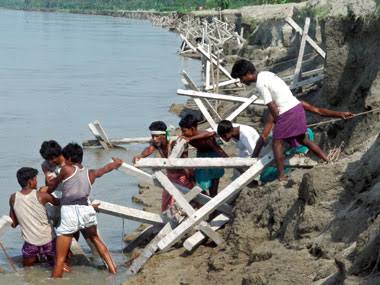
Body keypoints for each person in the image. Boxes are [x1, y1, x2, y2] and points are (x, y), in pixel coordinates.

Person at [231, 59, 353, 181]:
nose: (242, 81)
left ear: (247, 73)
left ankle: (281, 176)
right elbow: (317, 110)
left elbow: (271, 105)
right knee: (303, 139)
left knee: (276, 143)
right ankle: (326, 159)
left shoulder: (259, 83)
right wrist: (340, 114)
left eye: (241, 78)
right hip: (297, 108)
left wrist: (279, 123)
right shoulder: (267, 74)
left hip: (287, 112)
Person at [48, 143, 123, 278]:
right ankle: (113, 271)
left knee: (60, 258)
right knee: (96, 239)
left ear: (69, 158)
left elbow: (53, 185)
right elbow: (105, 169)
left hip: (69, 211)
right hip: (86, 209)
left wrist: (46, 190)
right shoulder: (91, 173)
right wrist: (116, 163)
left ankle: (54, 280)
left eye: (65, 158)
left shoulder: (66, 169)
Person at [133, 121, 194, 212]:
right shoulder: (157, 144)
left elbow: (185, 162)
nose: (154, 139)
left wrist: (191, 177)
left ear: (164, 135)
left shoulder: (174, 144)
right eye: (152, 136)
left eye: (157, 136)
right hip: (170, 177)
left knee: (179, 201)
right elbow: (149, 149)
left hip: (182, 176)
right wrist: (140, 156)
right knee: (166, 202)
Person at [8, 167, 59, 267]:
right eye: (35, 179)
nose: (36, 182)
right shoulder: (42, 195)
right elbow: (60, 202)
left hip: (30, 244)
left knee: (27, 270)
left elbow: (13, 224)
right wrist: (48, 189)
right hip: (48, 240)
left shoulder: (13, 198)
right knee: (60, 264)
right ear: (30, 181)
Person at [179, 114, 228, 197]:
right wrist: (187, 168)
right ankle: (206, 201)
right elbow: (185, 154)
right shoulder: (187, 138)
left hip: (214, 158)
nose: (182, 133)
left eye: (184, 131)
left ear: (192, 129)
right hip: (201, 158)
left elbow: (218, 149)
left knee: (213, 189)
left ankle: (213, 206)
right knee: (199, 185)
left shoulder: (206, 137)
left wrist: (229, 160)